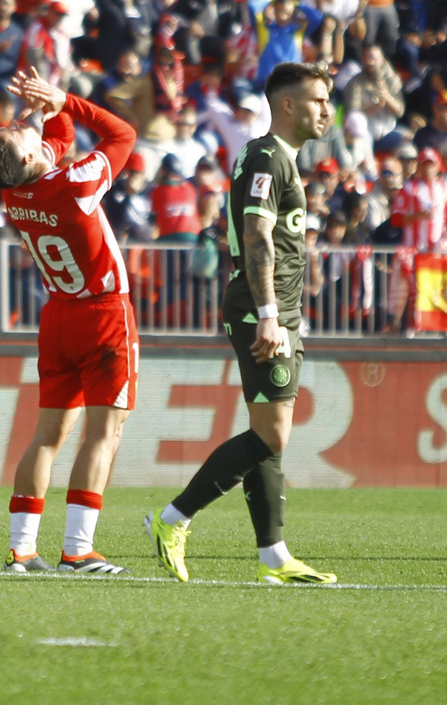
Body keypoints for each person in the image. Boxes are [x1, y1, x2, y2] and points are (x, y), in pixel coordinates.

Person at [144, 62, 338, 586]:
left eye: (329, 98)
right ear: (289, 104)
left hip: (281, 309)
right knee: (272, 434)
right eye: (318, 99)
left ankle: (273, 556)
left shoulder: (283, 160)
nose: (328, 108)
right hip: (263, 309)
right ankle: (171, 519)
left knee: (268, 433)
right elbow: (255, 236)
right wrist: (270, 314)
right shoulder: (266, 156)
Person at [0, 67, 138, 575]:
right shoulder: (74, 183)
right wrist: (65, 97)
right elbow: (123, 135)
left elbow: (55, 138)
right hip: (103, 313)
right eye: (18, 129)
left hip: (58, 318)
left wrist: (45, 107)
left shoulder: (14, 190)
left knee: (47, 435)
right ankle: (77, 549)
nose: (22, 123)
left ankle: (21, 550)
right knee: (103, 434)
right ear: (27, 155)